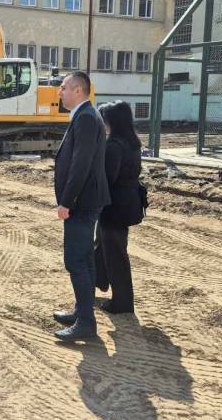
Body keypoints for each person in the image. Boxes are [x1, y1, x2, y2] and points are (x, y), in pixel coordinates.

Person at [52, 71, 110, 342]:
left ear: (78, 90)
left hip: (82, 203)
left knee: (76, 260)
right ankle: (82, 311)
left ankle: (86, 322)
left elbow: (81, 164)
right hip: (86, 200)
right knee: (85, 259)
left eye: (63, 87)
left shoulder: (86, 117)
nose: (59, 92)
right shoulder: (85, 115)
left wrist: (66, 202)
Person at [95, 101, 144, 314]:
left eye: (104, 120)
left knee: (115, 253)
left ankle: (122, 302)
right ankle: (98, 280)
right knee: (105, 244)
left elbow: (107, 179)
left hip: (114, 206)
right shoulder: (132, 143)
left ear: (112, 121)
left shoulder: (114, 146)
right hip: (128, 202)